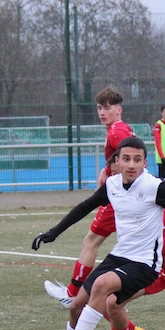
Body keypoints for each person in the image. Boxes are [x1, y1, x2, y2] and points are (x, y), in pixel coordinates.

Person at [32, 136, 165, 330]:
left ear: (145, 163)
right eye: (126, 159)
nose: (131, 165)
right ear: (117, 161)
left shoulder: (155, 187)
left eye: (137, 160)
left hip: (146, 264)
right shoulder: (113, 185)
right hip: (119, 256)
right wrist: (53, 232)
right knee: (75, 306)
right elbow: (85, 207)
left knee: (102, 286)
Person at [43, 86, 134, 307]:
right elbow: (123, 158)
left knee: (91, 242)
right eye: (99, 108)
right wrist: (108, 170)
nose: (102, 112)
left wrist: (116, 177)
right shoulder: (117, 129)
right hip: (120, 195)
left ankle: (73, 293)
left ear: (118, 110)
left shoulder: (117, 132)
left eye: (107, 107)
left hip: (119, 198)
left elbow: (133, 159)